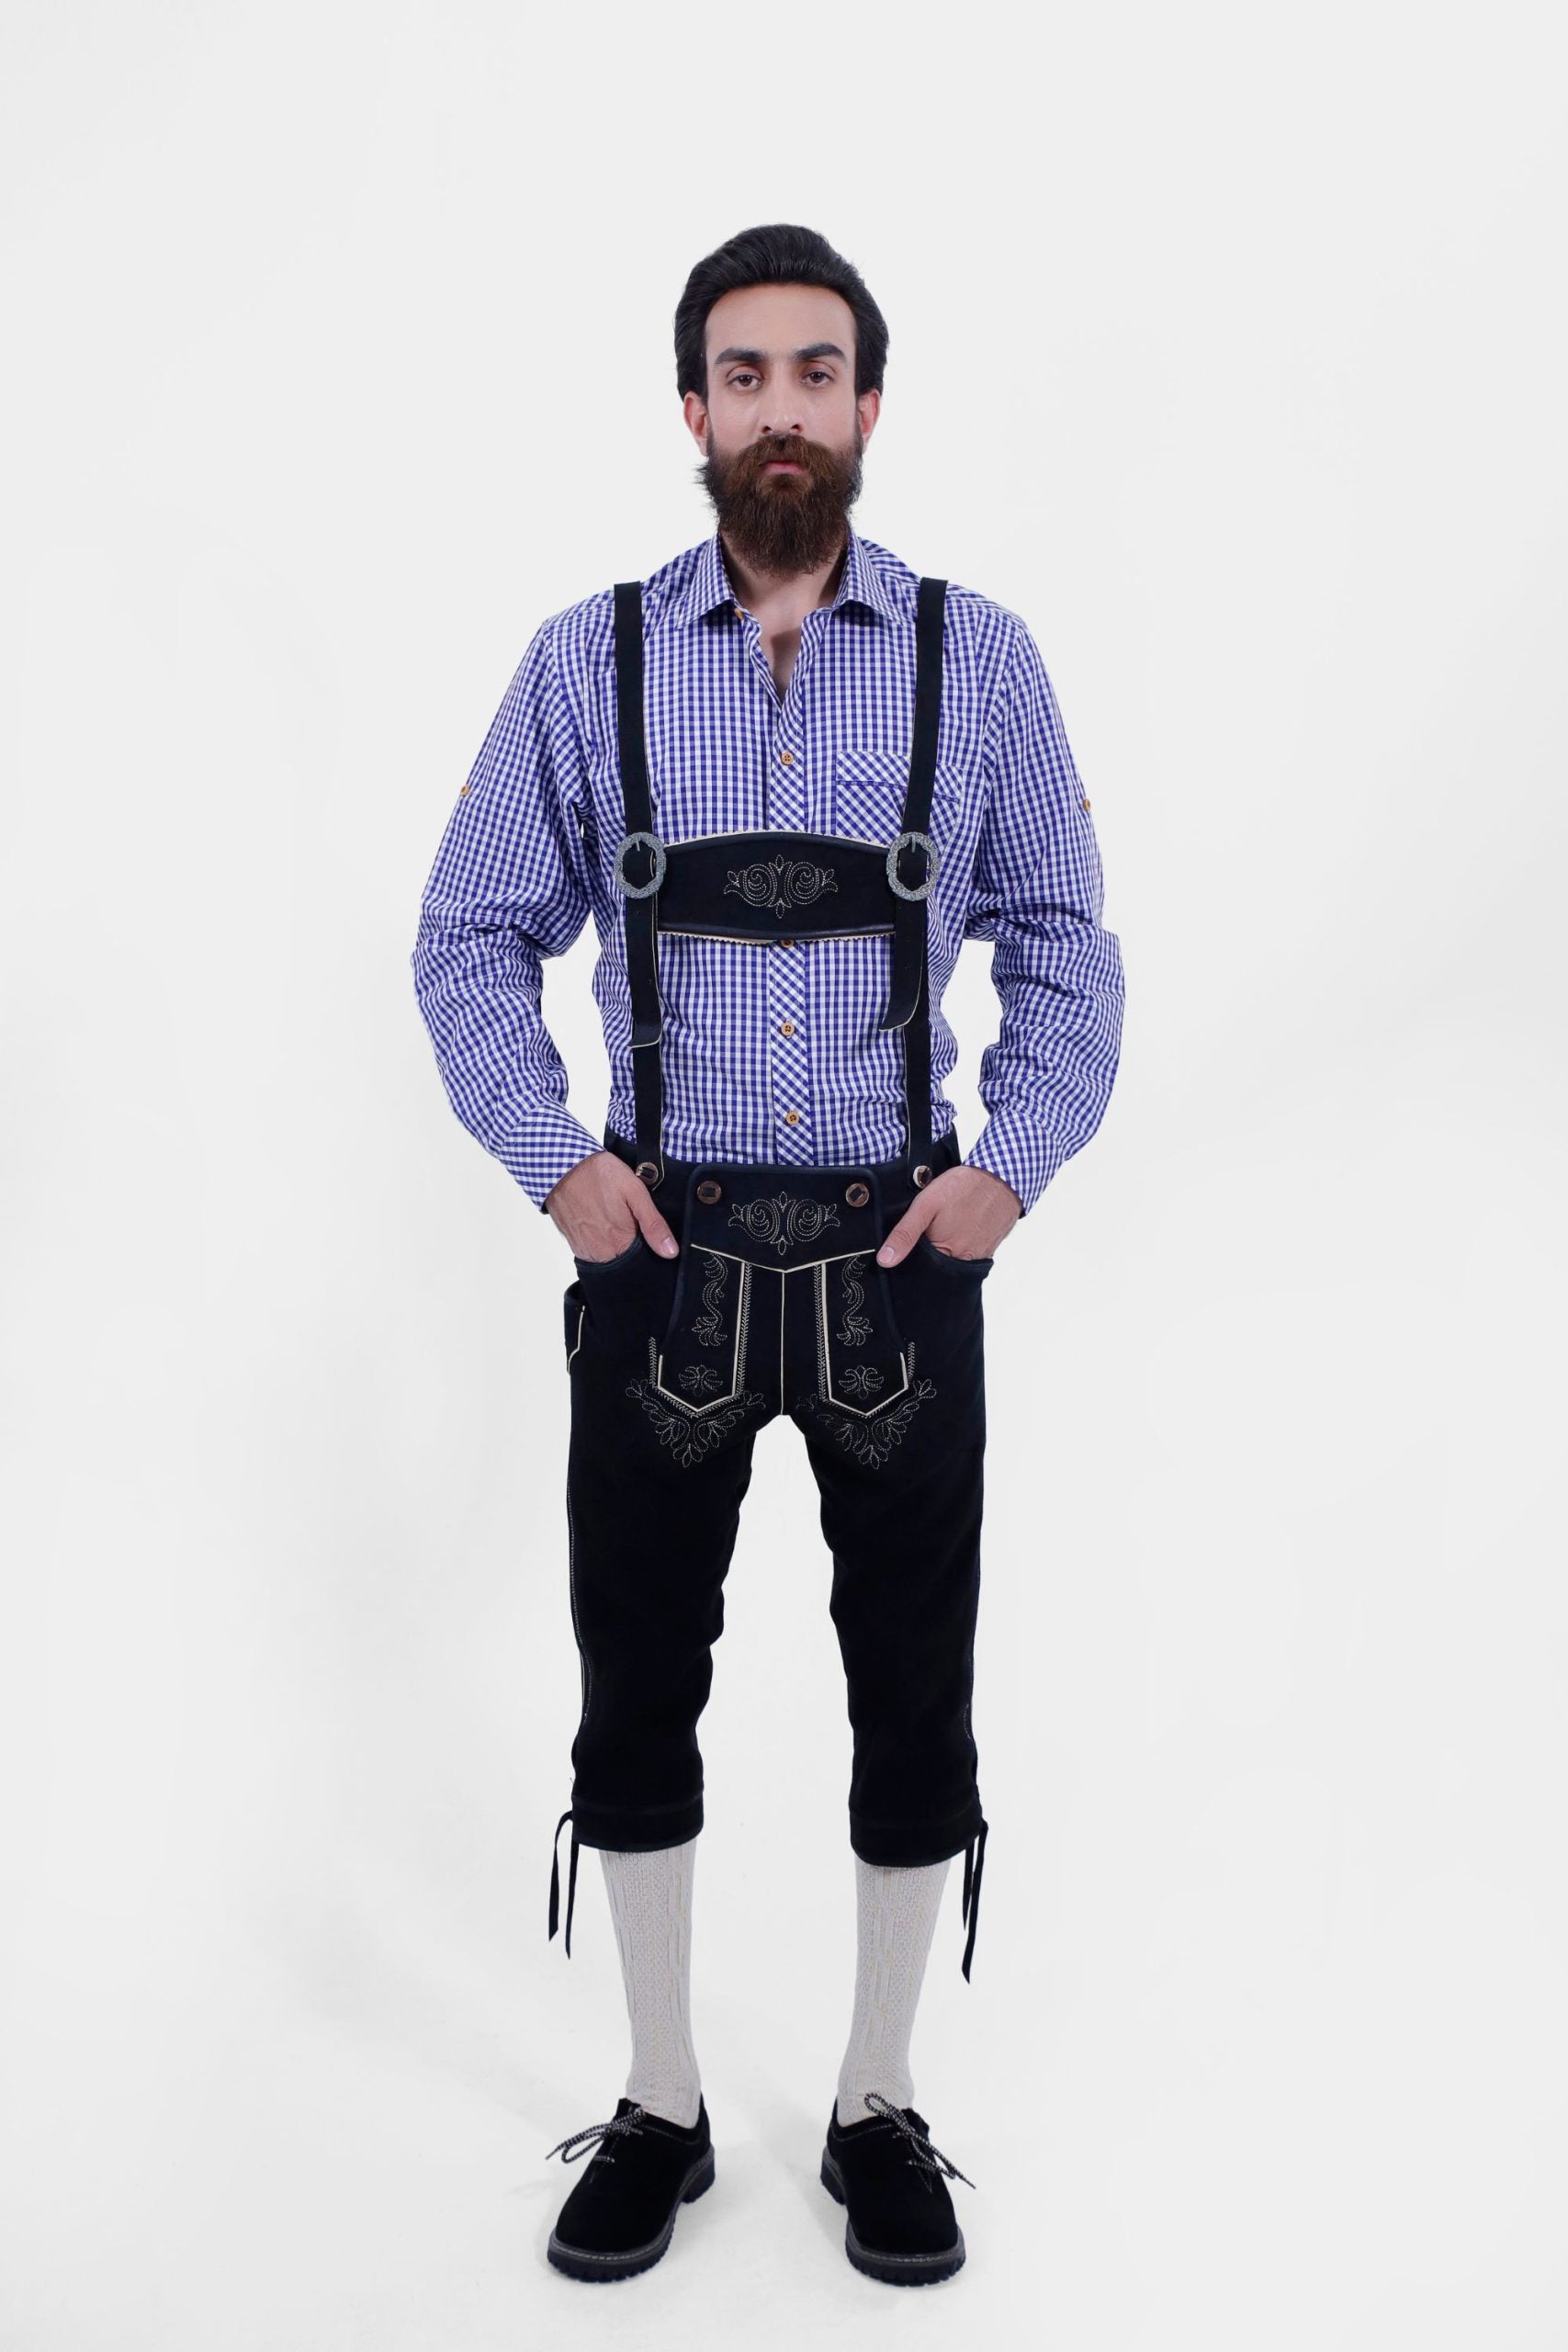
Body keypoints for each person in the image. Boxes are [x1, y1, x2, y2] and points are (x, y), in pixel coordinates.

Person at [410, 221, 1125, 2288]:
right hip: (663, 1261)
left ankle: (879, 2099)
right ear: (692, 412)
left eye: (817, 372)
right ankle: (657, 2095)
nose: (780, 409)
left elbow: (1064, 943)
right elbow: (467, 933)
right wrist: (559, 1169)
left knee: (913, 1702)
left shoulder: (976, 659)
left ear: (869, 405)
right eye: (742, 374)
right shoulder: (588, 661)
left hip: (902, 1259)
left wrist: (1009, 1168)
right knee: (635, 1695)